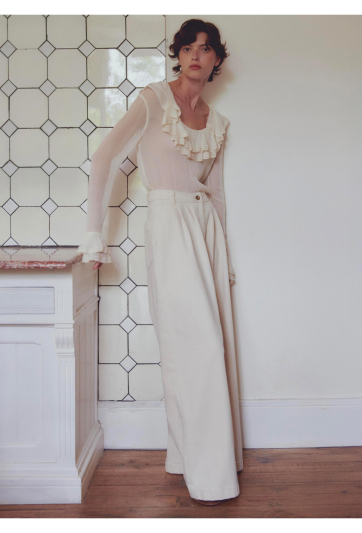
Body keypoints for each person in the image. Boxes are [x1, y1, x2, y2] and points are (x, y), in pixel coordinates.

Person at [75, 19, 243, 506]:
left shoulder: (216, 122)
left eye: (205, 49)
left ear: (216, 60)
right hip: (169, 223)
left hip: (206, 230)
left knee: (213, 346)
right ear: (178, 55)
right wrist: (94, 236)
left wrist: (225, 259)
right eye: (188, 48)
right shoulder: (153, 100)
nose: (196, 55)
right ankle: (210, 478)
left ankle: (190, 458)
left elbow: (216, 193)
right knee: (194, 347)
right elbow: (104, 159)